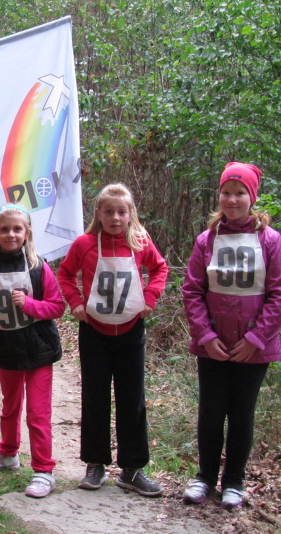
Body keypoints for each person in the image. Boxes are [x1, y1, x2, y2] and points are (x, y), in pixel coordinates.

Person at [181, 162, 281, 508]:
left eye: (240, 193)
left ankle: (234, 482)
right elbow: (192, 290)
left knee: (242, 414)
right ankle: (205, 477)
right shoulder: (206, 240)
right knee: (210, 412)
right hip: (213, 345)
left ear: (251, 197)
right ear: (219, 196)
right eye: (226, 192)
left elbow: (278, 294)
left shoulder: (271, 241)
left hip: (254, 348)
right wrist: (205, 335)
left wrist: (256, 339)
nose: (232, 199)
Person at [58, 183, 168, 496]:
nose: (115, 218)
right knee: (95, 397)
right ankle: (95, 464)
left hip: (131, 330)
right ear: (98, 213)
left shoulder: (140, 241)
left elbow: (159, 268)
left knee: (132, 399)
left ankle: (132, 469)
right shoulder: (84, 244)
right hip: (94, 331)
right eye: (109, 212)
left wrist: (150, 297)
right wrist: (75, 303)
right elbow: (65, 274)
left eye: (121, 212)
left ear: (130, 214)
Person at [0, 203, 65, 498]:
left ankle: (43, 470)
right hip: (6, 350)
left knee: (38, 413)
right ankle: (8, 454)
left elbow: (57, 306)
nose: (11, 234)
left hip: (40, 350)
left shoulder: (39, 267)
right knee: (9, 408)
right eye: (4, 229)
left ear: (27, 233)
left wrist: (30, 305)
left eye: (17, 229)